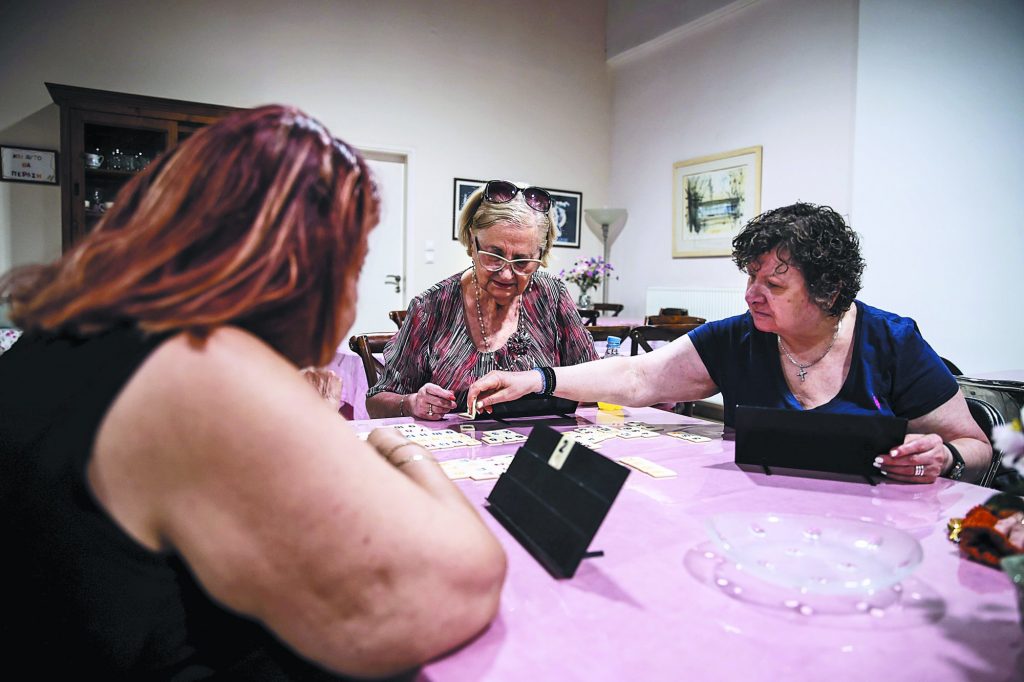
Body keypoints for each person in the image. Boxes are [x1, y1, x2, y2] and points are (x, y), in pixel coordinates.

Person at [0, 105, 505, 679]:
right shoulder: (201, 367)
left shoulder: (72, 334)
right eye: (356, 264)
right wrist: (400, 449)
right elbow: (460, 584)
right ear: (306, 267)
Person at [468, 202, 991, 484]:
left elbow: (976, 445)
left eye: (774, 285)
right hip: (753, 520)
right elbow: (638, 376)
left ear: (829, 289)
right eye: (750, 278)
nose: (751, 295)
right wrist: (537, 379)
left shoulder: (893, 341)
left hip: (872, 532)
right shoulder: (739, 336)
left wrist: (944, 457)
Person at [365, 180, 597, 419]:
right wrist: (412, 403)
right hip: (457, 441)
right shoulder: (431, 308)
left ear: (541, 255)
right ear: (472, 243)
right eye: (493, 256)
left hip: (542, 438)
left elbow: (596, 382)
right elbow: (376, 402)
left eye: (522, 262)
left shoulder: (551, 295)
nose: (506, 274)